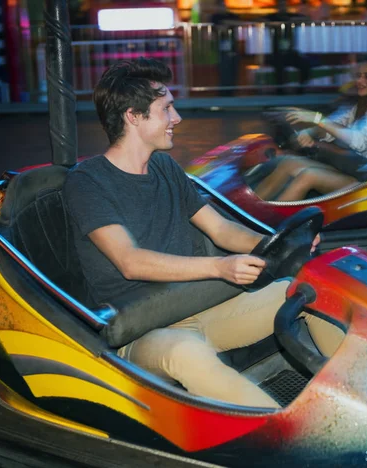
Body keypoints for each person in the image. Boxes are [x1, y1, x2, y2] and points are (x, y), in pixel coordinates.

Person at [63, 58, 343, 408]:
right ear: (133, 116)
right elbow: (130, 261)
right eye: (166, 109)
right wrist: (218, 268)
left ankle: (361, 398)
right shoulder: (88, 182)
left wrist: (284, 245)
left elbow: (221, 229)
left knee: (310, 288)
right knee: (185, 353)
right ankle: (282, 438)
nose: (177, 118)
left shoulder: (164, 167)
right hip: (141, 328)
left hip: (201, 308)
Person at [254, 58, 367, 201]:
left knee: (309, 175)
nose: (360, 81)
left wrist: (318, 119)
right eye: (358, 76)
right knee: (288, 162)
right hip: (354, 171)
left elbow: (359, 141)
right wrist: (310, 132)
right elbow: (332, 126)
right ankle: (251, 211)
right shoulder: (361, 105)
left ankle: (272, 224)